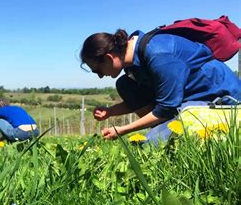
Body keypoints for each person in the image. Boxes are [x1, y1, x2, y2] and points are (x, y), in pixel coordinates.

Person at [80, 29, 241, 143]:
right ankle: (162, 128)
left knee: (151, 145)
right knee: (124, 84)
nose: (100, 76)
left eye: (97, 70)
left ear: (108, 58)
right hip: (187, 99)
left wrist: (123, 130)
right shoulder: (133, 61)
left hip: (222, 99)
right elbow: (149, 98)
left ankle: (162, 131)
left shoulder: (158, 54)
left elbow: (166, 107)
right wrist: (110, 112)